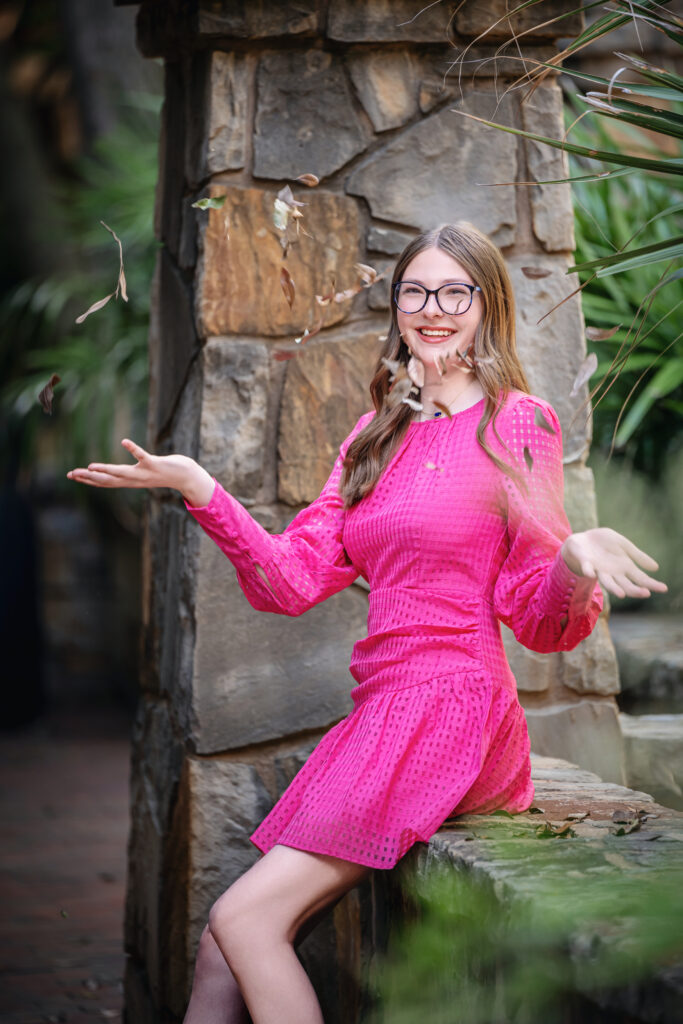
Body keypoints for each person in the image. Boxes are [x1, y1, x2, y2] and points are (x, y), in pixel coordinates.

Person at [67, 221, 666, 1024]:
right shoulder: (374, 432)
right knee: (224, 943)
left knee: (244, 920)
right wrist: (201, 489)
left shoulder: (516, 424)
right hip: (384, 709)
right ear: (397, 307)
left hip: (454, 707)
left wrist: (571, 556)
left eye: (455, 291)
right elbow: (290, 581)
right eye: (415, 290)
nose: (433, 308)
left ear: (487, 306)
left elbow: (538, 617)